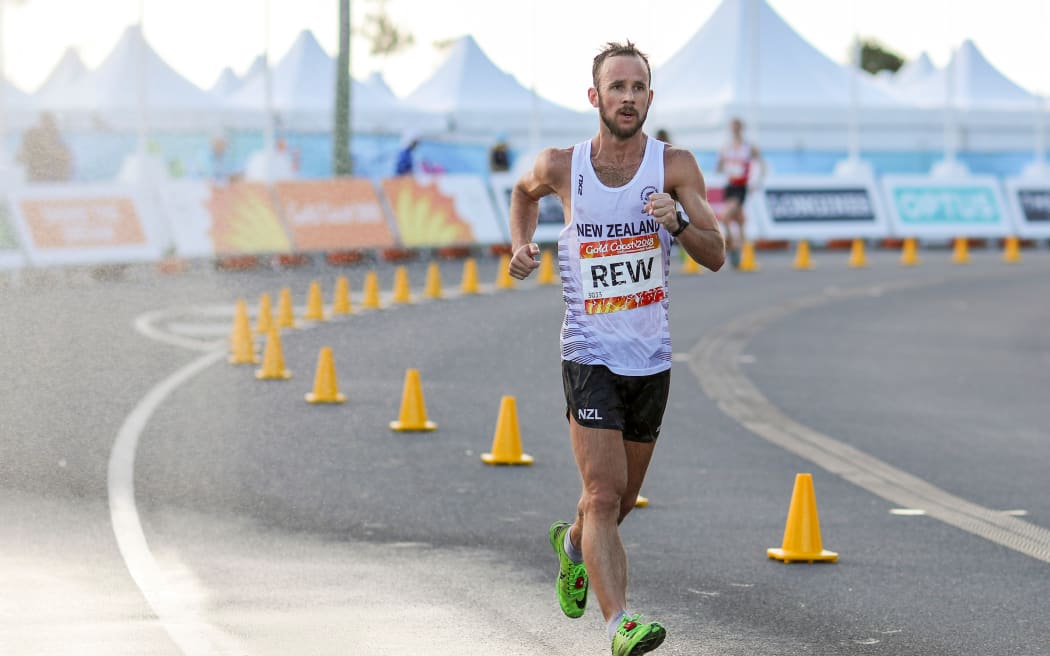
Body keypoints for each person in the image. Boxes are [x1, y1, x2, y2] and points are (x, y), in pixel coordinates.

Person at [507, 41, 724, 656]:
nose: (627, 97)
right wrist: (520, 246)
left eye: (638, 88)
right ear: (594, 96)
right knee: (601, 493)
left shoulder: (674, 167)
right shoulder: (560, 164)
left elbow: (717, 254)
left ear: (650, 99)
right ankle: (619, 624)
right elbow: (523, 194)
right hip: (588, 353)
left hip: (650, 360)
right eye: (616, 87)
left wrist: (677, 224)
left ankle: (573, 546)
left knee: (621, 500)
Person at [715, 117, 765, 267]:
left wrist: (756, 182)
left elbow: (761, 164)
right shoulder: (727, 147)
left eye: (737, 127)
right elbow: (719, 167)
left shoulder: (749, 147)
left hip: (741, 188)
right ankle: (743, 253)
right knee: (739, 220)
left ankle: (734, 248)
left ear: (741, 129)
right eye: (732, 127)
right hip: (730, 186)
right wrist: (723, 164)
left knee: (725, 217)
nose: (734, 130)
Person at [16, 112, 73, 182]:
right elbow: (18, 163)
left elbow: (65, 177)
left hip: (52, 186)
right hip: (34, 186)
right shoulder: (31, 147)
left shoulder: (62, 152)